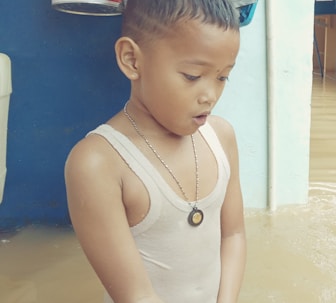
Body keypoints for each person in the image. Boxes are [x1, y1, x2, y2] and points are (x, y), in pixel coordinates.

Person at [64, 0, 246, 302]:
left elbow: (234, 235)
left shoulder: (221, 137)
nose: (210, 95)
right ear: (132, 60)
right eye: (192, 75)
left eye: (223, 76)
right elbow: (136, 295)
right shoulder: (99, 164)